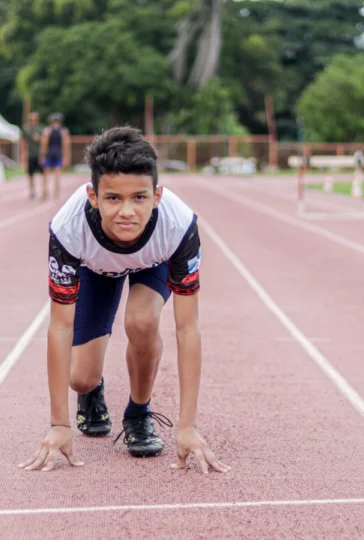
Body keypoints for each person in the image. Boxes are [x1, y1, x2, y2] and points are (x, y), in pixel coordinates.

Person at [19, 126, 229, 475]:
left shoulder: (178, 225)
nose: (127, 212)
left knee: (142, 320)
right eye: (113, 198)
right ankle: (91, 393)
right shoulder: (69, 228)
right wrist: (60, 424)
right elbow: (59, 326)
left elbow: (187, 329)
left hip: (153, 263)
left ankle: (138, 413)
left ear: (157, 196)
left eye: (140, 198)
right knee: (81, 377)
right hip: (96, 268)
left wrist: (187, 426)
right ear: (93, 196)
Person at [40, 113, 69, 200]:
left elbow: (44, 144)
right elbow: (65, 145)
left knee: (48, 175)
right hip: (56, 154)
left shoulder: (48, 130)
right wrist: (66, 157)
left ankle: (45, 193)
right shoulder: (63, 131)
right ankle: (54, 194)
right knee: (55, 175)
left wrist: (42, 155)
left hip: (51, 154)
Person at [22, 111, 44, 200]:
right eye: (31, 119)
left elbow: (45, 141)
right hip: (30, 154)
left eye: (34, 119)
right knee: (30, 174)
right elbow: (23, 142)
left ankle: (43, 190)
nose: (33, 121)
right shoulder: (26, 129)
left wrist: (40, 139)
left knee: (43, 174)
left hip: (39, 154)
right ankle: (32, 190)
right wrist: (23, 155)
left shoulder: (41, 129)